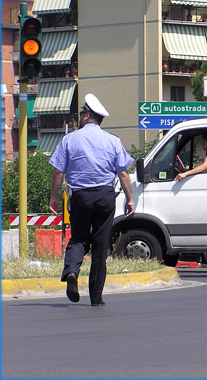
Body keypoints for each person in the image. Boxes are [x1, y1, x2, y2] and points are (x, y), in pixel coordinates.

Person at [49, 93, 134, 306]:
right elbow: (123, 174)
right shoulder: (113, 141)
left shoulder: (69, 139)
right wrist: (130, 200)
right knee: (100, 244)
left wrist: (53, 198)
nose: (79, 117)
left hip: (80, 197)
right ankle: (96, 297)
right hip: (105, 197)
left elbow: (58, 172)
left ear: (87, 116)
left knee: (78, 238)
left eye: (81, 114)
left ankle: (71, 273)